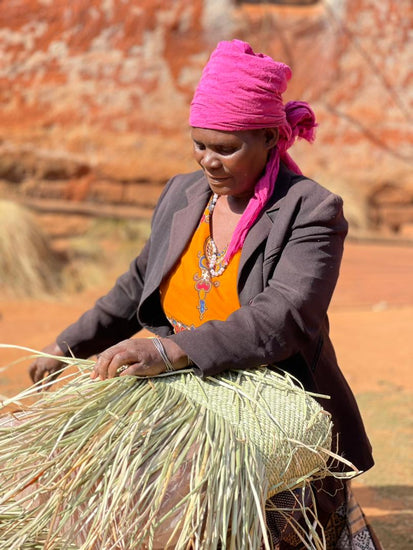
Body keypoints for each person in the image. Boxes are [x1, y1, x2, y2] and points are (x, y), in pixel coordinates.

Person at [27, 40, 381, 549]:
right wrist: (69, 344)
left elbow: (283, 316)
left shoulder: (311, 211)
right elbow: (137, 284)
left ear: (268, 138)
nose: (208, 162)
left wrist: (168, 350)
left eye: (226, 148)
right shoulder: (182, 193)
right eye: (199, 145)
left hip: (261, 391)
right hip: (173, 383)